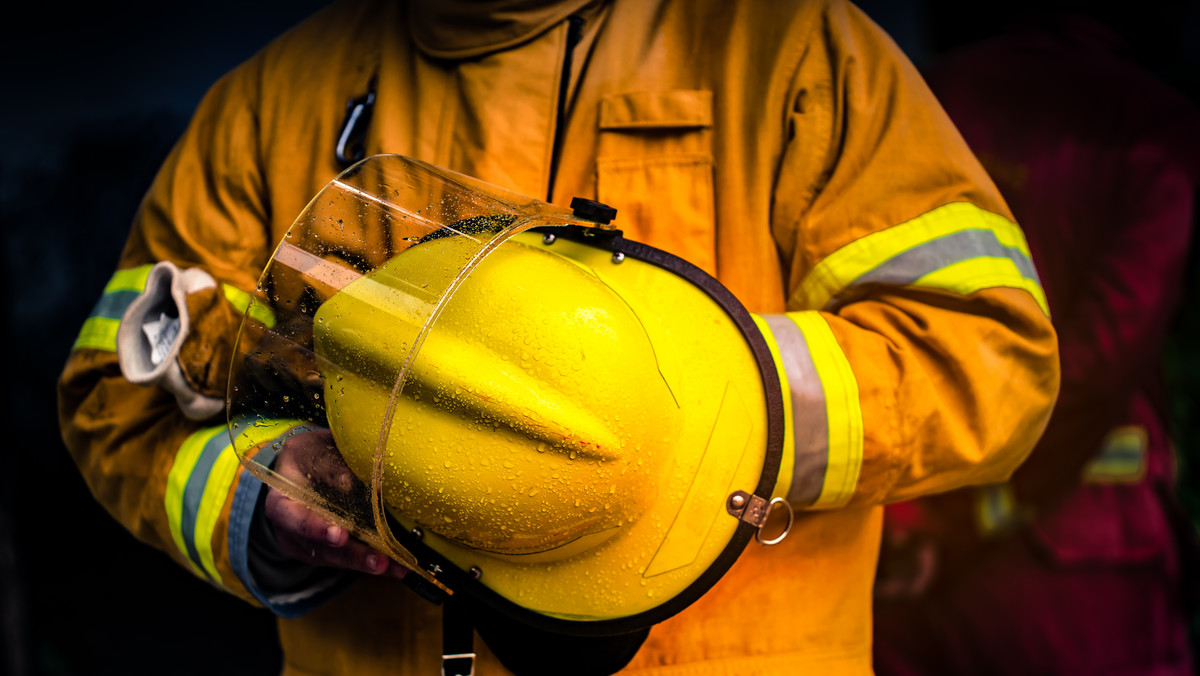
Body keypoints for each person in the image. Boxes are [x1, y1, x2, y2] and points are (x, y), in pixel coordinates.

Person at [58, 0, 1058, 673]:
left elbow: (989, 352)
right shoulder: (269, 105)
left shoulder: (791, 50)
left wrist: (695, 416)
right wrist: (265, 494)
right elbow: (118, 398)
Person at [873, 9, 1200, 675]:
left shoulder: (915, 98)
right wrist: (969, 522)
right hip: (1079, 558)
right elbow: (1097, 362)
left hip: (895, 557)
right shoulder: (1148, 125)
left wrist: (912, 524)